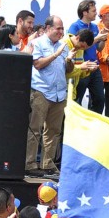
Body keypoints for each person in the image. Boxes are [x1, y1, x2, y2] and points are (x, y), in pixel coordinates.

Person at [26, 16, 69, 176]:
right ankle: (29, 164)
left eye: (62, 29)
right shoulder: (37, 43)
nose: (61, 32)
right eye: (58, 28)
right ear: (48, 28)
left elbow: (66, 70)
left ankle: (47, 164)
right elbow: (37, 64)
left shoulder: (63, 46)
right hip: (41, 92)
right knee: (35, 129)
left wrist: (70, 60)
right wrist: (55, 54)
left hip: (59, 94)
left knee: (53, 130)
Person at [69, 0, 106, 113]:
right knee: (77, 100)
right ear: (85, 12)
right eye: (93, 11)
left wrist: (104, 39)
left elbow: (99, 48)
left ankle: (93, 126)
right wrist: (97, 38)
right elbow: (76, 46)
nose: (96, 13)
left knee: (99, 99)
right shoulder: (75, 26)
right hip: (82, 66)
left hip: (95, 66)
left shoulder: (95, 27)